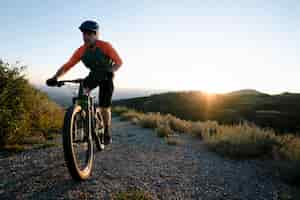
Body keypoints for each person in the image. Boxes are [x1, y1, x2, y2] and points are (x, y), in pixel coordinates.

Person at [46, 20, 123, 145]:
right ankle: (83, 120)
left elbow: (119, 62)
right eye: (84, 34)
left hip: (106, 77)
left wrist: (111, 70)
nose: (86, 36)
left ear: (96, 34)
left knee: (104, 107)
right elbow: (67, 66)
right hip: (93, 76)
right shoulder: (81, 51)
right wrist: (55, 77)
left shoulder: (105, 46)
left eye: (89, 34)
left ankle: (107, 131)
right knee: (81, 96)